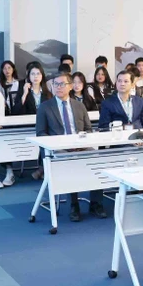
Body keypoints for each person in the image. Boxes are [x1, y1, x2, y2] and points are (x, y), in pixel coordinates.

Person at [36, 72, 107, 221]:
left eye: (62, 84)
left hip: (81, 146)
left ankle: (96, 203)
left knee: (98, 160)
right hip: (58, 149)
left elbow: (88, 129)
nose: (58, 87)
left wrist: (81, 143)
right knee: (69, 162)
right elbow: (41, 134)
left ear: (70, 86)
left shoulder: (79, 105)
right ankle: (73, 205)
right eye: (56, 84)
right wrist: (61, 144)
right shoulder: (45, 107)